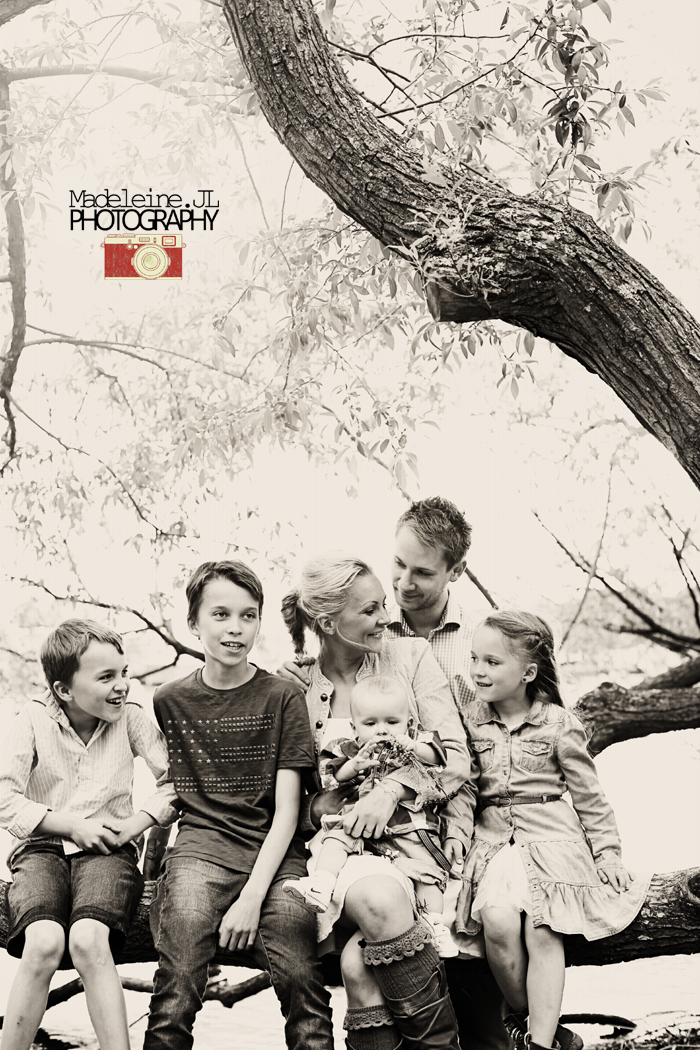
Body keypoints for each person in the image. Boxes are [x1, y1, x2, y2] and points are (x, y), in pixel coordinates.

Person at [282, 497, 510, 1050]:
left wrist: (390, 790)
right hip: (337, 852)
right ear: (327, 622)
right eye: (371, 608)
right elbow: (286, 795)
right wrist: (329, 806)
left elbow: (455, 758)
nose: (387, 614)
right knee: (373, 916)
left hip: (415, 839)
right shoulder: (292, 684)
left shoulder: (409, 657)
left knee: (360, 968)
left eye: (383, 605)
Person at [142, 560, 334, 1050]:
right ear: (194, 622)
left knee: (302, 981)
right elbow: (168, 787)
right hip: (200, 852)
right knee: (178, 982)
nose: (235, 628)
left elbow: (287, 812)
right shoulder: (169, 700)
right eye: (221, 614)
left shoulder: (283, 697)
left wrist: (251, 899)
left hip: (277, 855)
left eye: (248, 616)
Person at [454, 610, 651, 1050]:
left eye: (492, 662)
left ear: (528, 672)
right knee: (497, 922)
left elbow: (590, 798)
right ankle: (539, 1021)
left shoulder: (560, 724)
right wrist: (455, 839)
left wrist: (608, 855)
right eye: (475, 659)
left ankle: (540, 1044)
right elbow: (464, 789)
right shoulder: (470, 721)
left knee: (542, 929)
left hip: (552, 841)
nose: (478, 671)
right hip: (494, 843)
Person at [0, 619, 178, 1050]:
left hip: (109, 852)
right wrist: (71, 826)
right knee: (43, 942)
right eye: (106, 677)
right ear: (64, 689)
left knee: (88, 939)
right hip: (41, 848)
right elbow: (4, 798)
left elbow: (177, 781)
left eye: (124, 672)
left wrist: (136, 823)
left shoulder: (131, 718)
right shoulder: (31, 718)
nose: (122, 686)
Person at [284, 674, 458, 956]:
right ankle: (322, 883)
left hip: (409, 827)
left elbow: (440, 758)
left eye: (392, 722)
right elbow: (334, 776)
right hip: (360, 825)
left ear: (409, 724)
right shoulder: (353, 748)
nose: (382, 730)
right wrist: (355, 765)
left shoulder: (415, 743)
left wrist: (413, 746)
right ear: (354, 727)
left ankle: (435, 924)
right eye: (370, 724)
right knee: (335, 840)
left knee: (427, 873)